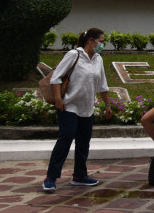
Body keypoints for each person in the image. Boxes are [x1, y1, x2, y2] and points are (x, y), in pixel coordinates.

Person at [42, 28, 112, 192]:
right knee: (65, 139)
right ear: (91, 41)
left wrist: (107, 105)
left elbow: (102, 85)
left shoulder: (98, 59)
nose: (102, 45)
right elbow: (56, 77)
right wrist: (58, 99)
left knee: (83, 143)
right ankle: (51, 177)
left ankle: (80, 176)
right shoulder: (74, 55)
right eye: (101, 42)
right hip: (69, 106)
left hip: (87, 108)